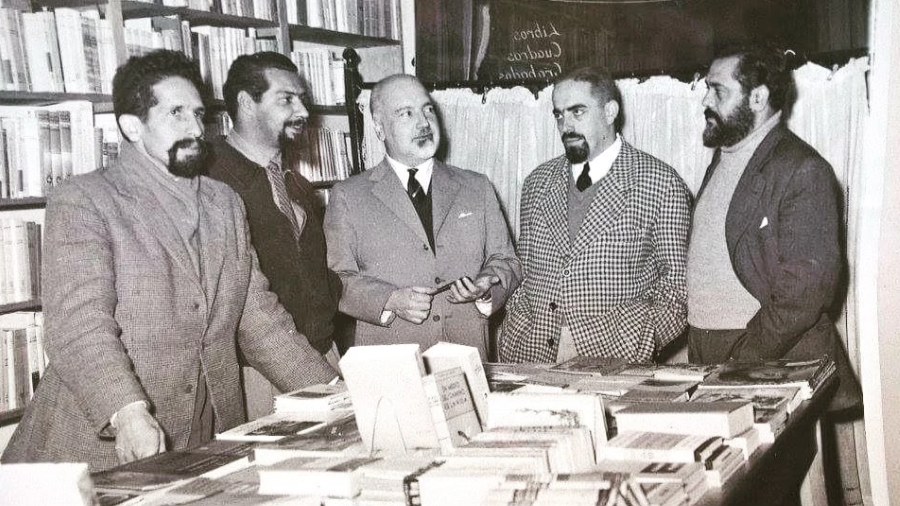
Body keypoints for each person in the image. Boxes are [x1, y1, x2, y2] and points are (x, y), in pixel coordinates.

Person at [1, 50, 337, 472]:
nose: (195, 129)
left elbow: (260, 320)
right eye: (176, 114)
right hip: (99, 448)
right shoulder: (85, 200)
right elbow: (79, 326)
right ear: (132, 126)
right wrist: (127, 412)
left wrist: (332, 395)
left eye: (198, 114)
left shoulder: (224, 203)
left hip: (205, 438)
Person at [686, 44, 861, 412]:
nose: (705, 100)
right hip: (709, 348)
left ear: (758, 98)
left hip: (766, 357)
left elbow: (807, 287)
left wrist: (746, 356)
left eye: (718, 90)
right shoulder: (727, 156)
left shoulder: (802, 168)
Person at [499, 66, 691, 364]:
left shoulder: (660, 182)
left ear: (610, 111)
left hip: (616, 359)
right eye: (559, 115)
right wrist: (517, 327)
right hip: (531, 353)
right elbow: (525, 270)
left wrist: (638, 340)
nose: (566, 126)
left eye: (578, 112)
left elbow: (678, 285)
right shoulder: (537, 182)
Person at [324, 74, 521, 361]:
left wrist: (485, 287)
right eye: (406, 113)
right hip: (392, 363)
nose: (424, 123)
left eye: (428, 109)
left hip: (466, 358)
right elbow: (335, 279)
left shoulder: (477, 187)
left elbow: (507, 261)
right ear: (379, 128)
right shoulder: (348, 195)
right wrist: (390, 300)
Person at [207, 52, 342, 419]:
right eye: (286, 100)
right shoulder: (211, 183)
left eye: (302, 99)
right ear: (246, 103)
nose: (302, 111)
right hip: (256, 375)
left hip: (321, 357)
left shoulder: (295, 182)